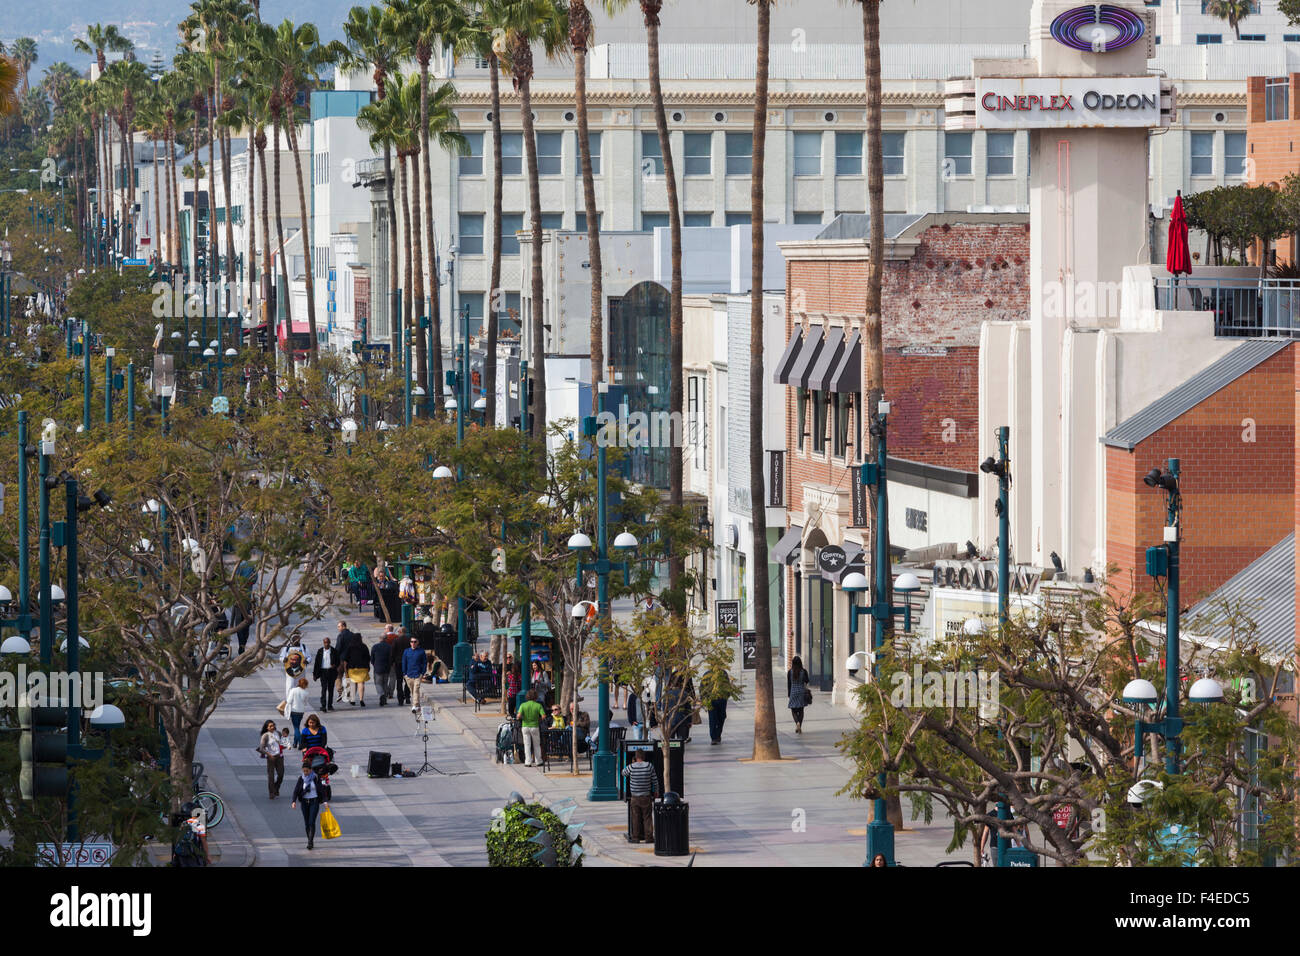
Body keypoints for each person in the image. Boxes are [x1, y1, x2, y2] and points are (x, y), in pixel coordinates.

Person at [291, 759, 331, 851]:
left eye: (307, 771)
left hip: (314, 802)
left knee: (311, 822)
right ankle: (309, 839)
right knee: (306, 823)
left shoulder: (316, 778)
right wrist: (293, 801)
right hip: (304, 803)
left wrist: (325, 802)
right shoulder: (301, 779)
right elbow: (296, 790)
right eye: (304, 771)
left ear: (311, 770)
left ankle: (310, 841)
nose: (305, 773)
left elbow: (322, 790)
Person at [622, 750, 658, 843]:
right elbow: (655, 780)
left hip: (635, 797)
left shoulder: (631, 767)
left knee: (635, 818)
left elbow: (623, 773)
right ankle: (649, 838)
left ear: (635, 757)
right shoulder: (649, 766)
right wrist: (656, 791)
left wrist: (632, 763)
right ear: (644, 757)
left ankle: (636, 838)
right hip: (646, 796)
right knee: (647, 817)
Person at [517, 688, 545, 767]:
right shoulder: (538, 705)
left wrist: (522, 717)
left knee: (527, 744)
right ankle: (538, 761)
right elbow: (543, 716)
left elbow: (518, 716)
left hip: (525, 726)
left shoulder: (523, 705)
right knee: (536, 744)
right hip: (535, 726)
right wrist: (538, 719)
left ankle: (528, 762)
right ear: (535, 696)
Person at [258, 720, 286, 798]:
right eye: (270, 726)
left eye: (273, 725)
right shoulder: (265, 735)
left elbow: (284, 743)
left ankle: (276, 788)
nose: (272, 727)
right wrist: (269, 755)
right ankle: (271, 793)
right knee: (271, 776)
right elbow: (261, 748)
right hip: (271, 758)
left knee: (281, 774)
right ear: (267, 728)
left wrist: (285, 745)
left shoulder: (279, 733)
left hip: (279, 757)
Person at [334, 621, 360, 703]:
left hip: (341, 660)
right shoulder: (353, 635)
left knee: (338, 676)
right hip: (351, 660)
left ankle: (340, 691)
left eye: (339, 626)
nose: (338, 628)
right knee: (350, 678)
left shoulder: (341, 636)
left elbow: (338, 648)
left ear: (343, 626)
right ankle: (349, 694)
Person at [343, 632, 371, 707]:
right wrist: (368, 667)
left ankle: (352, 699)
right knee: (361, 683)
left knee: (353, 683)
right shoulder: (364, 646)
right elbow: (368, 658)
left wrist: (345, 670)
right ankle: (361, 699)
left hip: (352, 668)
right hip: (362, 667)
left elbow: (345, 659)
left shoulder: (350, 647)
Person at [402, 635, 428, 712]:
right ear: (410, 643)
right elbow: (404, 662)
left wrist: (422, 673)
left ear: (417, 643)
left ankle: (414, 706)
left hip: (417, 674)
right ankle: (417, 705)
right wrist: (404, 673)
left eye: (415, 642)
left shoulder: (421, 651)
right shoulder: (406, 651)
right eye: (411, 642)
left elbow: (424, 663)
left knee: (416, 689)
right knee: (412, 691)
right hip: (408, 675)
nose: (413, 643)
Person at [313, 636, 339, 712]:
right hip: (323, 672)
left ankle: (330, 705)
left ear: (330, 643)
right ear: (323, 643)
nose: (326, 644)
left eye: (328, 642)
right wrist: (315, 674)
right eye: (325, 642)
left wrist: (335, 665)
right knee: (324, 689)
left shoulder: (334, 651)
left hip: (331, 672)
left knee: (331, 689)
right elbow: (317, 663)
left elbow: (338, 661)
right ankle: (323, 705)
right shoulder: (320, 651)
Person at [788, 655, 811, 734]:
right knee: (801, 710)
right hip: (801, 691)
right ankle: (799, 726)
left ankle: (797, 722)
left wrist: (789, 694)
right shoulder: (803, 671)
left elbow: (789, 684)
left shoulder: (790, 672)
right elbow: (807, 681)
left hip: (793, 692)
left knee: (793, 710)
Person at [370, 632, 394, 706]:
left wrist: (374, 664)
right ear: (386, 639)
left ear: (379, 638)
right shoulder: (389, 647)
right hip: (386, 667)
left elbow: (372, 658)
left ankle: (381, 694)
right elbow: (391, 658)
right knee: (385, 683)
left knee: (378, 683)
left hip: (378, 667)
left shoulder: (375, 646)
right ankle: (385, 699)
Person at [287, 678, 310, 748]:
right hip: (301, 711)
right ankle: (295, 743)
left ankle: (300, 743)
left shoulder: (293, 690)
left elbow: (289, 700)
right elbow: (305, 703)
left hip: (294, 711)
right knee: (297, 727)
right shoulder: (306, 693)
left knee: (296, 727)